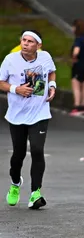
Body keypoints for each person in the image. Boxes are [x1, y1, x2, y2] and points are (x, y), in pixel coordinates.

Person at [0, 30, 56, 209]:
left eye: (30, 41)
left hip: (39, 113)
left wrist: (52, 86)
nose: (25, 44)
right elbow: (1, 82)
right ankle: (15, 183)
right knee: (19, 154)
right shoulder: (11, 60)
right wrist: (17, 89)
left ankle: (35, 193)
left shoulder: (45, 57)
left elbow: (52, 73)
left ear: (38, 45)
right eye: (24, 40)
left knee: (38, 150)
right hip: (17, 115)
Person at [69, 19, 84, 116]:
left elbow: (76, 51)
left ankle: (77, 107)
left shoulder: (78, 39)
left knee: (76, 85)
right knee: (83, 86)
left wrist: (74, 58)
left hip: (78, 65)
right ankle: (83, 106)